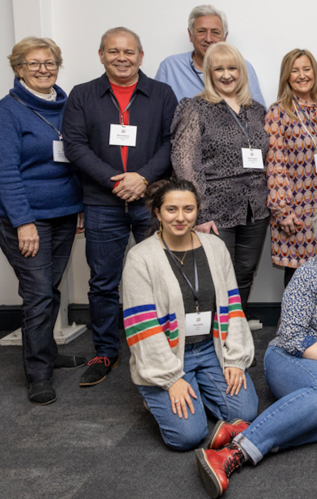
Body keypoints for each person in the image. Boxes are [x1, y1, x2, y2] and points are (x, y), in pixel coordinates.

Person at [195, 202, 317, 498]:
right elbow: (292, 335)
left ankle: (249, 433)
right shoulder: (307, 275)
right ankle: (230, 455)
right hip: (293, 359)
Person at [62, 27, 178, 387]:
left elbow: (171, 143)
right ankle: (106, 352)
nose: (122, 58)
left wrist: (141, 178)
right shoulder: (82, 95)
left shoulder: (161, 93)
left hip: (151, 201)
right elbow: (75, 146)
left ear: (141, 56)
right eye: (114, 52)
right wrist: (118, 180)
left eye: (129, 52)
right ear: (101, 55)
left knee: (163, 276)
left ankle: (167, 346)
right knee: (103, 281)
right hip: (102, 202)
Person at [122, 179, 257, 452]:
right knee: (187, 436)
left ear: (198, 211)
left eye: (188, 209)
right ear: (157, 212)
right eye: (171, 209)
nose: (181, 217)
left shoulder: (215, 247)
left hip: (210, 348)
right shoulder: (141, 257)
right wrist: (170, 379)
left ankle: (195, 388)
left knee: (245, 414)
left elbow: (233, 307)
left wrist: (235, 359)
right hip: (169, 354)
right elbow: (143, 328)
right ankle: (156, 394)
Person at [0, 37, 85, 404]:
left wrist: (78, 208)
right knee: (38, 292)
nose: (43, 68)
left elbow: (76, 159)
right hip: (21, 214)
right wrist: (23, 221)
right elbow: (6, 172)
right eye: (33, 63)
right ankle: (39, 373)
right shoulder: (4, 113)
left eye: (50, 62)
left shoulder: (67, 105)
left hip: (62, 212)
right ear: (18, 69)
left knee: (48, 288)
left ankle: (46, 352)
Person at [171, 42, 269, 304]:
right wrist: (199, 212)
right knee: (216, 275)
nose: (227, 75)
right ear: (208, 73)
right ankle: (214, 339)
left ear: (242, 72)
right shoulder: (195, 108)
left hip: (255, 208)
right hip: (214, 209)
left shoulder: (257, 110)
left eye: (232, 68)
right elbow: (184, 163)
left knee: (245, 272)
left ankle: (235, 331)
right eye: (219, 69)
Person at [265, 48, 317, 287]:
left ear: (314, 73)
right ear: (286, 76)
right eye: (295, 71)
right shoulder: (279, 112)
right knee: (299, 276)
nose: (302, 75)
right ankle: (292, 324)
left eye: (306, 69)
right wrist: (282, 210)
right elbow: (275, 164)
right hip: (295, 208)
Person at [155, 4, 265, 104]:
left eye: (215, 32)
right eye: (201, 31)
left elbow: (259, 115)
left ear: (224, 37)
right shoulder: (169, 67)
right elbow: (155, 112)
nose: (208, 39)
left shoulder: (244, 68)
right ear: (190, 35)